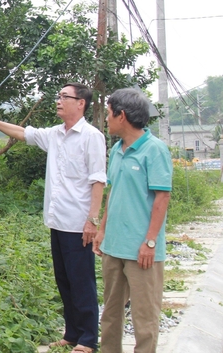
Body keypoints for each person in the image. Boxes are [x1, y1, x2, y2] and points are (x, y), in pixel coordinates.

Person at [0, 82, 106, 353]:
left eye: (65, 96)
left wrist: (93, 220)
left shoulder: (91, 136)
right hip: (57, 221)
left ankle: (88, 339)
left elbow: (98, 179)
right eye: (59, 96)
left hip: (79, 224)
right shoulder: (55, 134)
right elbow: (22, 132)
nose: (59, 101)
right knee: (64, 280)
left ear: (81, 103)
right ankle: (72, 333)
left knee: (82, 281)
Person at [92, 88, 172, 353]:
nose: (106, 119)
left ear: (121, 115)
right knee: (111, 313)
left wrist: (149, 242)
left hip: (142, 251)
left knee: (144, 317)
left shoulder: (155, 150)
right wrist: (102, 230)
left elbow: (162, 199)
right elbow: (112, 192)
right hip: (114, 247)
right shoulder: (116, 150)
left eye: (108, 113)